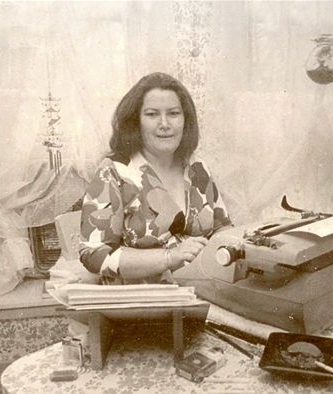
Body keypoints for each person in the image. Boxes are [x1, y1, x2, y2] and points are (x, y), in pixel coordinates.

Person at [79, 72, 232, 284]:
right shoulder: (113, 171)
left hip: (199, 293)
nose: (164, 123)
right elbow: (93, 254)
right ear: (135, 121)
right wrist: (170, 257)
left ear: (185, 120)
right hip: (138, 304)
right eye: (152, 114)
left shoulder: (198, 168)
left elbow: (223, 229)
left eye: (173, 113)